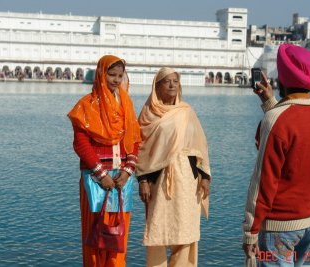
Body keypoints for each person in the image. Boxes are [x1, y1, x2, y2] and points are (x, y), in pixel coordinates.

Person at [242, 43, 310, 266]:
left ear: (281, 78)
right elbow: (296, 139)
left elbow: (264, 180)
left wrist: (250, 232)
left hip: (281, 227)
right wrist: (269, 102)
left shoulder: (276, 120)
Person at [68, 55, 141, 267]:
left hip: (121, 180)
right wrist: (101, 174)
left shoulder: (126, 104)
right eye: (111, 75)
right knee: (95, 236)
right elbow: (81, 144)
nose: (116, 80)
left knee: (118, 236)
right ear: (101, 74)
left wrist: (128, 171)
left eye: (120, 75)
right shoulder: (86, 105)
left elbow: (134, 140)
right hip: (95, 179)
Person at [136, 67, 212, 267]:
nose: (171, 85)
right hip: (158, 179)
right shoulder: (147, 115)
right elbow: (139, 149)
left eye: (175, 82)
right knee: (157, 230)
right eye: (166, 81)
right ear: (156, 86)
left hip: (187, 179)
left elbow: (200, 146)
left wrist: (205, 177)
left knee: (185, 230)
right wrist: (142, 180)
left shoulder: (186, 111)